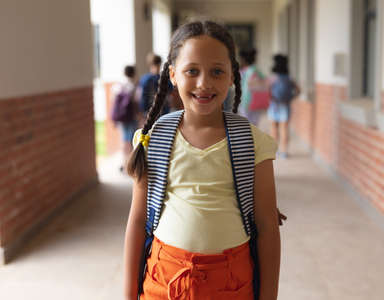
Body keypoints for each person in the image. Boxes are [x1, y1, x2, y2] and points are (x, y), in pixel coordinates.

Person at [124, 20, 281, 300]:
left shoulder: (252, 142)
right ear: (173, 75)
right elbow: (137, 222)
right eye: (192, 71)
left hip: (231, 282)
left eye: (217, 71)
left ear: (232, 76)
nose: (204, 83)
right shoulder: (155, 139)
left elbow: (268, 226)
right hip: (163, 280)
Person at [267, 54, 300, 159]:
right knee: (284, 129)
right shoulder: (289, 78)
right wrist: (290, 98)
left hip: (274, 105)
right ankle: (284, 152)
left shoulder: (272, 78)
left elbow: (268, 92)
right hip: (285, 106)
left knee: (274, 129)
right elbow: (298, 91)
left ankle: (275, 152)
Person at [111, 65, 139, 172]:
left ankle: (123, 162)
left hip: (121, 118)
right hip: (131, 117)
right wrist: (139, 115)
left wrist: (114, 118)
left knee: (124, 139)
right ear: (133, 73)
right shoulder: (132, 86)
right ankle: (130, 163)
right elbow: (136, 103)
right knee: (131, 140)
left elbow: (114, 103)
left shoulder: (118, 86)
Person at [137, 53, 171, 123]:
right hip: (159, 111)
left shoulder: (144, 79)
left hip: (153, 112)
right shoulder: (164, 78)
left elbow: (141, 98)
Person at [239, 48, 267, 125]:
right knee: (254, 125)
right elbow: (265, 81)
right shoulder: (255, 70)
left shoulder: (242, 71)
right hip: (256, 101)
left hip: (244, 101)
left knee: (246, 125)